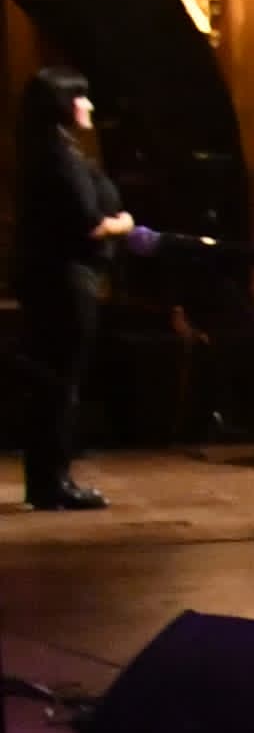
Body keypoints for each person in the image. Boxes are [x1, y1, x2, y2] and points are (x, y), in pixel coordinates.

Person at [14, 67, 140, 510]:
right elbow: (89, 222)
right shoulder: (57, 156)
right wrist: (124, 223)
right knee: (59, 383)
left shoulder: (53, 151)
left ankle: (49, 479)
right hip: (65, 282)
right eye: (80, 97)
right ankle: (54, 482)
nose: (88, 105)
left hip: (55, 280)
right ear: (63, 104)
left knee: (55, 382)